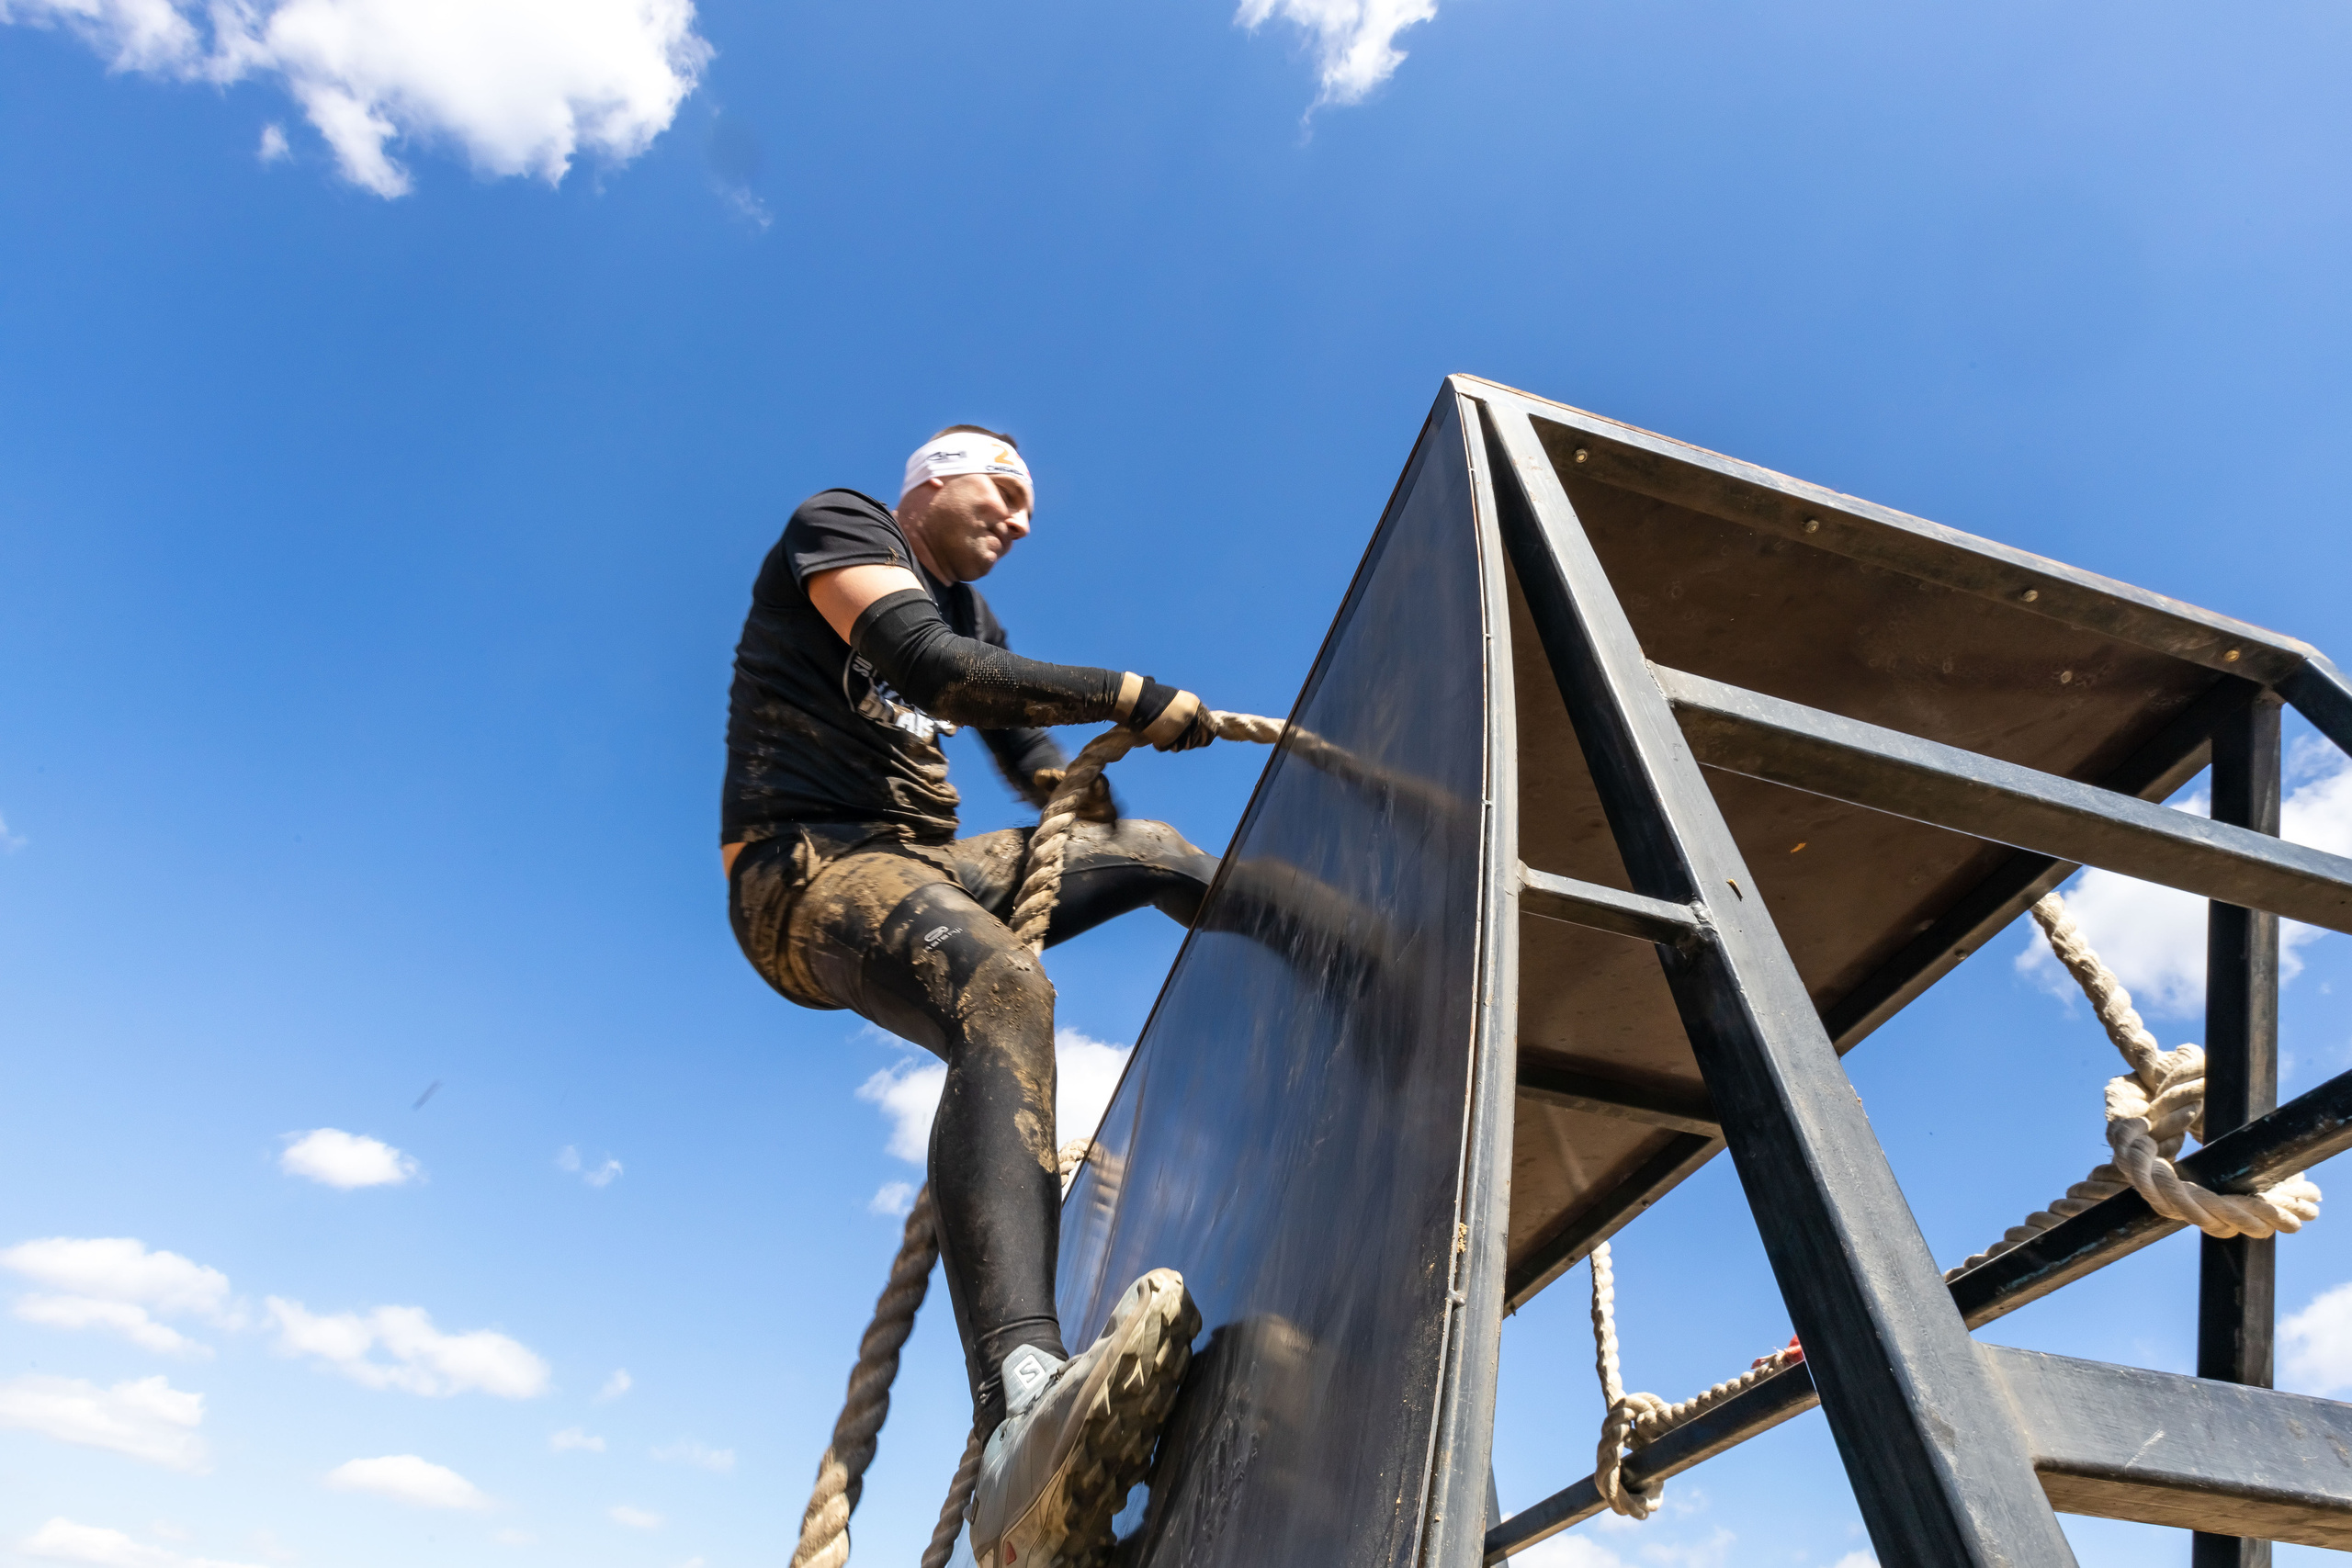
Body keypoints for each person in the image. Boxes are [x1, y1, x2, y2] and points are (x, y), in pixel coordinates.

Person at [722, 427, 1209, 1568]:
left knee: (1173, 855)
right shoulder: (842, 527)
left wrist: (1088, 789)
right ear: (933, 482)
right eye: (1007, 491)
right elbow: (931, 669)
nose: (1023, 520)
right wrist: (1128, 691)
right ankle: (1019, 1405)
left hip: (928, 862)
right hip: (808, 871)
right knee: (1002, 982)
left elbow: (1027, 751)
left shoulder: (980, 622)